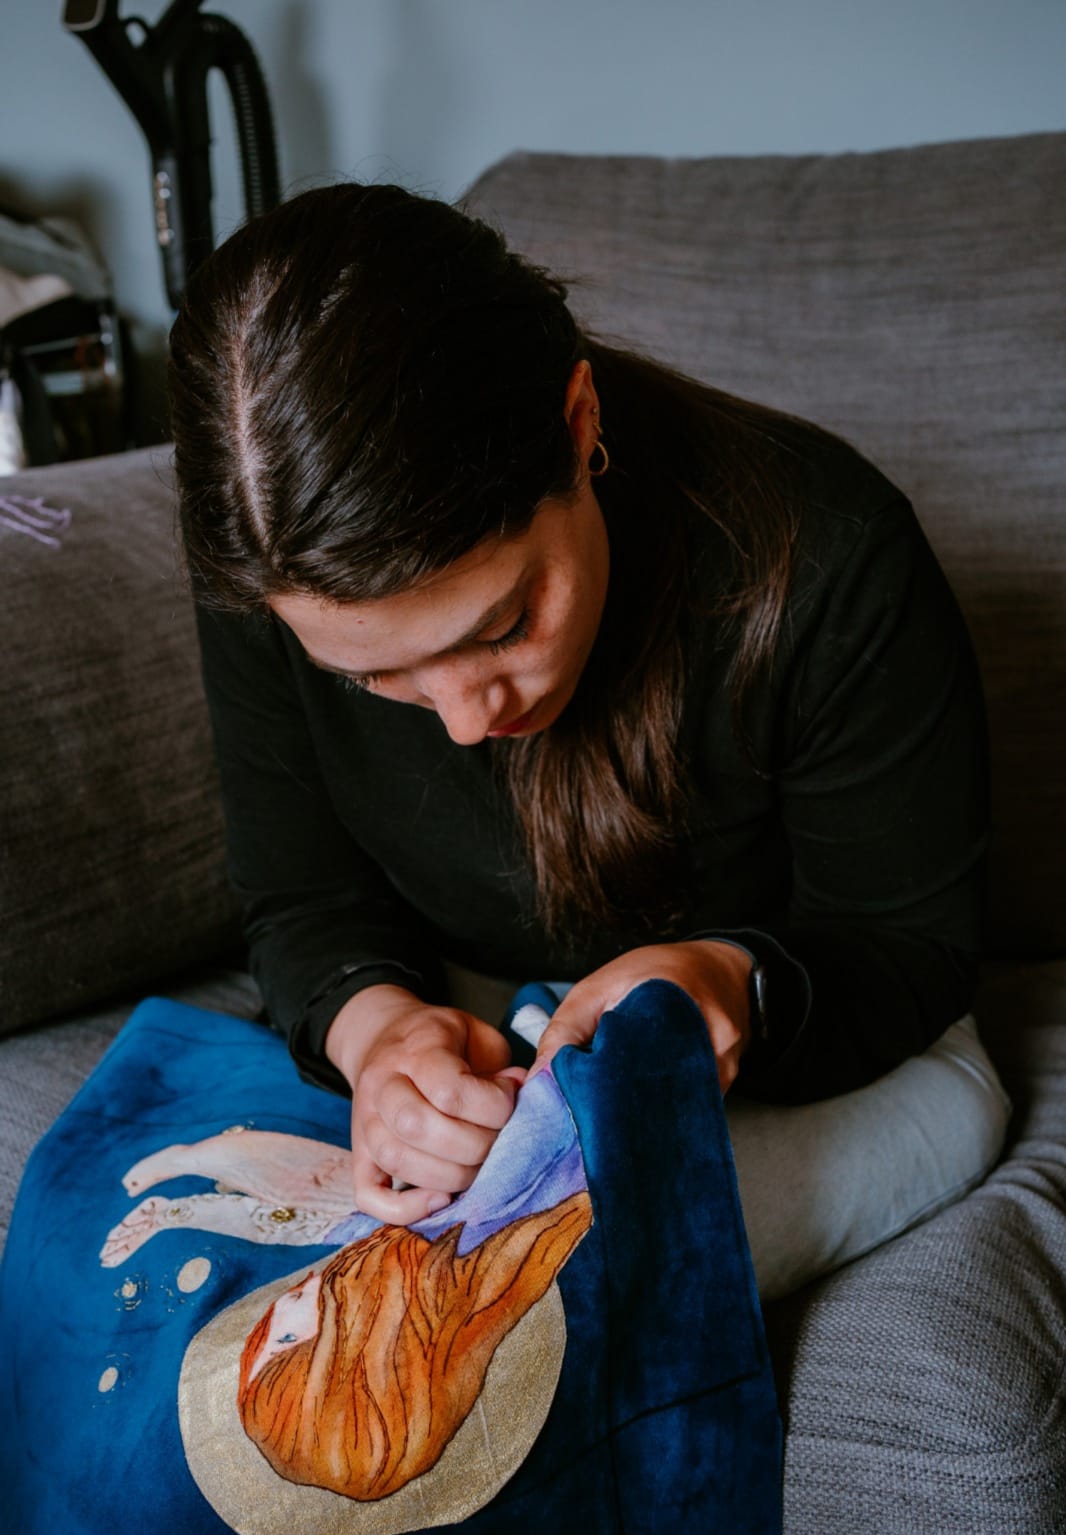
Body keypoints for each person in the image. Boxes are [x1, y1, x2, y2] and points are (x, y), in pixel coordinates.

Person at [167, 181, 1010, 1300]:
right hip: (475, 1022)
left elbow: (908, 943)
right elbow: (302, 902)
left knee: (535, 1300)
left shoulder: (834, 557)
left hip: (812, 1043)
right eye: (372, 677)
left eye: (504, 625)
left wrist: (728, 979)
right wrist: (383, 1042)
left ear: (578, 426)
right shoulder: (278, 586)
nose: (471, 721)